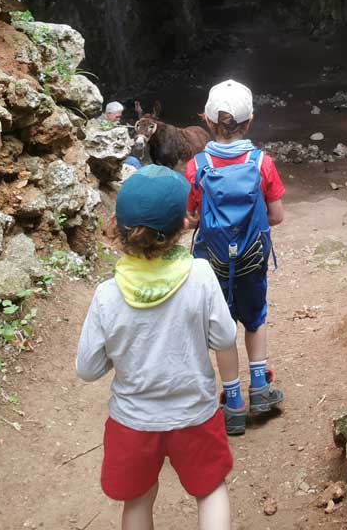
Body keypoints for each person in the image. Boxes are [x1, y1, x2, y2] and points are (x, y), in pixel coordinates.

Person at [76, 165, 236, 530]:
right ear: (183, 224)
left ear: (119, 226)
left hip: (133, 421)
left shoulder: (107, 295)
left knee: (138, 499)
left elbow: (87, 368)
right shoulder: (199, 276)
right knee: (210, 490)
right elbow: (225, 339)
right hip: (194, 413)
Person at [185, 79, 285, 437]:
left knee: (221, 329)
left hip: (211, 260)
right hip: (251, 257)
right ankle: (259, 387)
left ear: (208, 121)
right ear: (250, 120)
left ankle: (232, 404)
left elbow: (193, 216)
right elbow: (276, 216)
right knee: (255, 319)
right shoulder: (262, 163)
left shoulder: (197, 166)